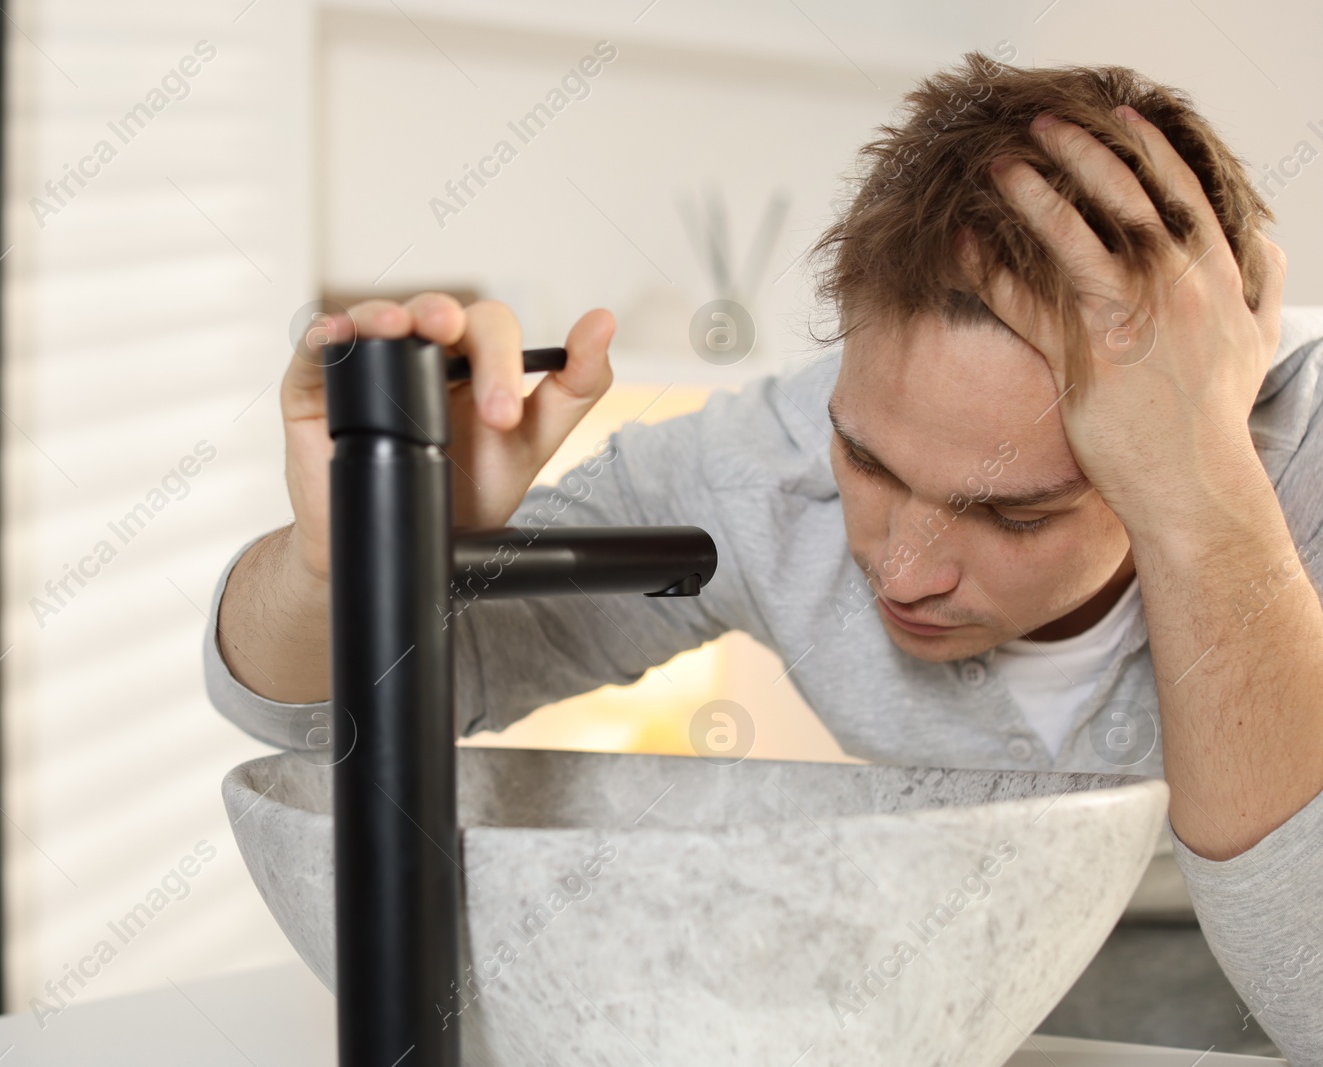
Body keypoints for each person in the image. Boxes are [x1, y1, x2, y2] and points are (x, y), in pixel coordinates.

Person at [206, 52, 1323, 1059]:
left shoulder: (1291, 466)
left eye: (1015, 515)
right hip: (949, 988)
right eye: (869, 462)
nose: (900, 569)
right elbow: (308, 711)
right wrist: (351, 544)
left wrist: (1199, 500)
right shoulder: (768, 465)